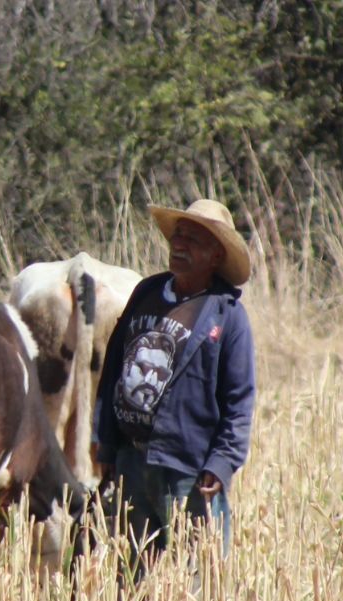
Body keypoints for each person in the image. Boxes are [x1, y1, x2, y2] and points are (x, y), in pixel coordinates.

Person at [95, 198, 256, 569]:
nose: (179, 244)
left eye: (193, 239)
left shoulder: (227, 315)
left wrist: (222, 461)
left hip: (189, 468)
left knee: (197, 581)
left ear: (216, 255)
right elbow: (114, 368)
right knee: (131, 579)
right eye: (178, 235)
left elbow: (239, 399)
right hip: (132, 459)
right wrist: (103, 442)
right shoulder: (147, 293)